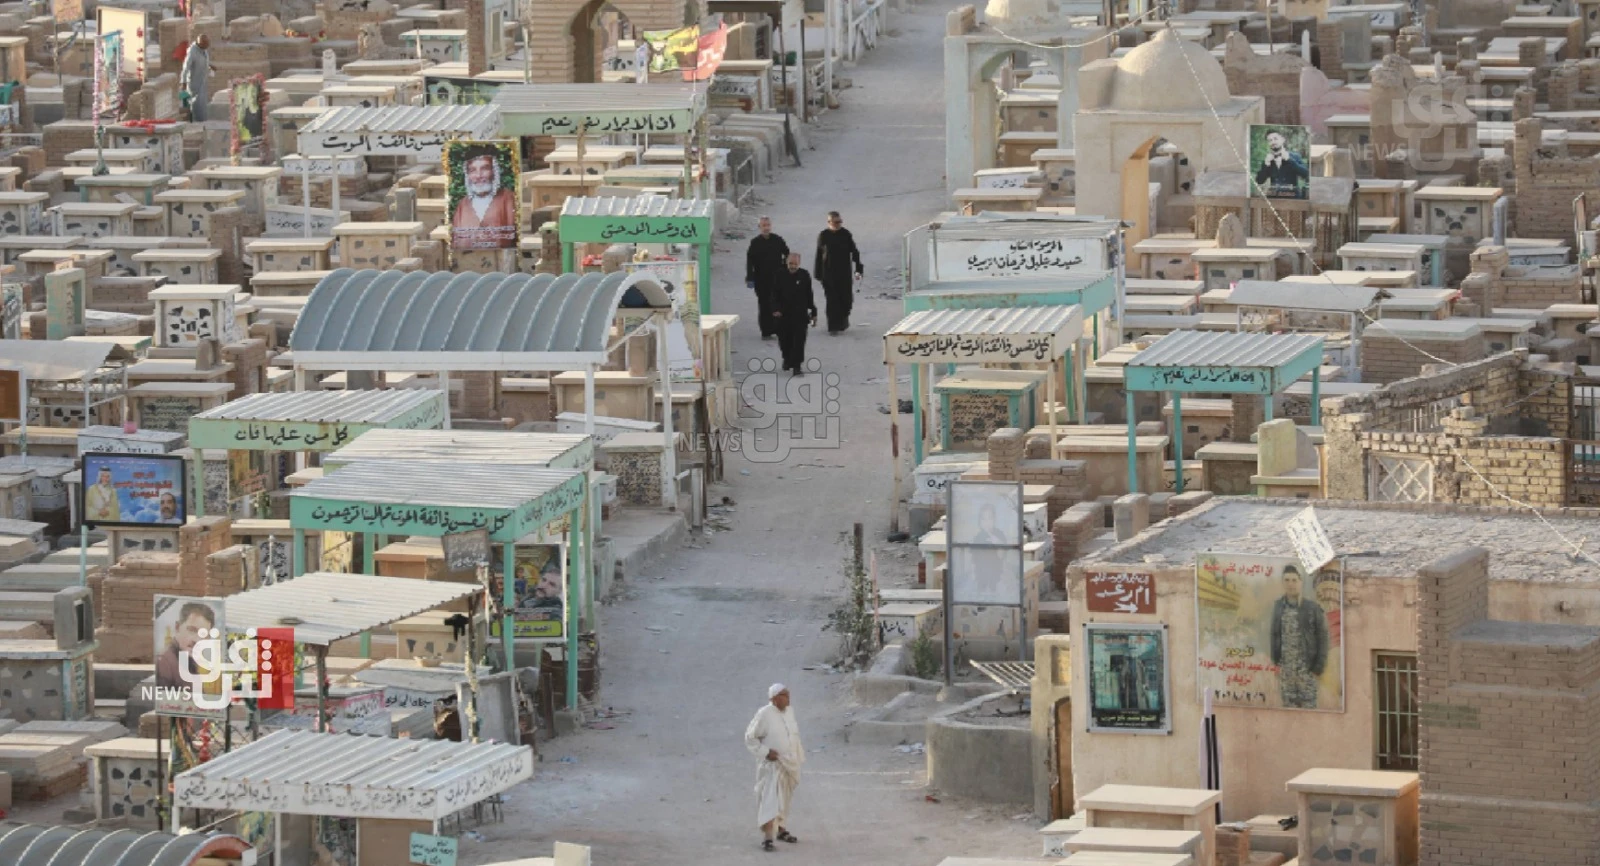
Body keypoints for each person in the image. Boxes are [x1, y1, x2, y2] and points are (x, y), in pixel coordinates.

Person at [745, 684, 804, 852]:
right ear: (774, 698)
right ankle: (767, 837)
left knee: (784, 799)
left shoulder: (789, 712)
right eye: (784, 695)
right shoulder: (764, 714)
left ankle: (781, 829)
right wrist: (765, 752)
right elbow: (750, 738)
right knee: (769, 799)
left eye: (788, 694)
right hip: (772, 765)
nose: (788, 698)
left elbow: (793, 735)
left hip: (789, 764)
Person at [1269, 564, 1330, 708]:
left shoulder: (1312, 608)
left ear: (1301, 582)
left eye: (1294, 580)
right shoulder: (1278, 606)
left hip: (1307, 672)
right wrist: (1275, 661)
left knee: (1309, 714)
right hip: (1286, 673)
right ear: (1283, 582)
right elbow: (1274, 634)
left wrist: (1318, 668)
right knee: (1289, 714)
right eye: (1287, 580)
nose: (1291, 584)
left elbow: (1323, 638)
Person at [451, 144, 518, 250]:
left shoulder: (508, 198)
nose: (478, 175)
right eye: (473, 170)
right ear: (468, 175)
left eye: (484, 168)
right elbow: (455, 241)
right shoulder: (463, 204)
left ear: (493, 172)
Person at [813, 211, 863, 334]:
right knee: (832, 301)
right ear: (829, 222)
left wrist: (858, 269)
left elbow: (855, 252)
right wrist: (818, 273)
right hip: (828, 275)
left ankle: (843, 320)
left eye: (840, 221)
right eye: (836, 222)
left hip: (844, 274)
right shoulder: (823, 235)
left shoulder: (845, 234)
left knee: (846, 301)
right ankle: (833, 327)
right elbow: (819, 255)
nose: (838, 224)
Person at [746, 216, 790, 340]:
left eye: (768, 225)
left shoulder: (778, 240)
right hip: (761, 279)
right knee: (764, 304)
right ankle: (766, 331)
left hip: (777, 279)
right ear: (759, 227)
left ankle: (777, 329)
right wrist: (750, 278)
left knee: (778, 303)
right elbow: (750, 261)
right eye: (763, 225)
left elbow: (787, 254)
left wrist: (785, 269)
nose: (766, 228)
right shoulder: (755, 243)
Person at [772, 253, 817, 374]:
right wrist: (775, 309)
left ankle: (797, 365)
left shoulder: (804, 275)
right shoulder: (780, 274)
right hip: (783, 314)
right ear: (787, 263)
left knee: (799, 341)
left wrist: (813, 311)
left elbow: (809, 294)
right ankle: (787, 359)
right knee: (784, 340)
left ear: (799, 264)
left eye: (795, 264)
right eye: (791, 263)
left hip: (800, 314)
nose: (793, 266)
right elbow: (774, 293)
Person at [155, 602, 216, 689]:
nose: (197, 640)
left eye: (203, 635)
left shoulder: (189, 661)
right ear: (177, 627)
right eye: (192, 630)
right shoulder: (163, 663)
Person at [1255, 130, 1309, 198]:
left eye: (1275, 139)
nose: (1273, 142)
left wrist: (1289, 160)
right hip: (1274, 199)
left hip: (1293, 199)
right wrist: (1266, 164)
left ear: (1283, 139)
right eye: (1270, 140)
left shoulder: (1295, 156)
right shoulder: (1267, 159)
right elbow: (1259, 181)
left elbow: (1306, 174)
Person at [179, 35, 212, 123]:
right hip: (194, 83)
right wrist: (183, 82)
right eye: (206, 44)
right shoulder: (192, 52)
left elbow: (203, 61)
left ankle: (202, 122)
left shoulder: (203, 50)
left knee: (202, 105)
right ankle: (195, 123)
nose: (207, 46)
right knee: (195, 105)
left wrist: (210, 66)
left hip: (202, 81)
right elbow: (185, 68)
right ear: (201, 44)